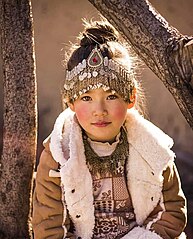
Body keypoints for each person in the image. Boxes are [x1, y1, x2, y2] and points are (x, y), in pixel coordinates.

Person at [32, 19, 187, 239]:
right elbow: (49, 227)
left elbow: (171, 212)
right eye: (86, 98)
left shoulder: (155, 150)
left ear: (130, 97)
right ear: (70, 103)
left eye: (111, 96)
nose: (100, 110)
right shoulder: (58, 156)